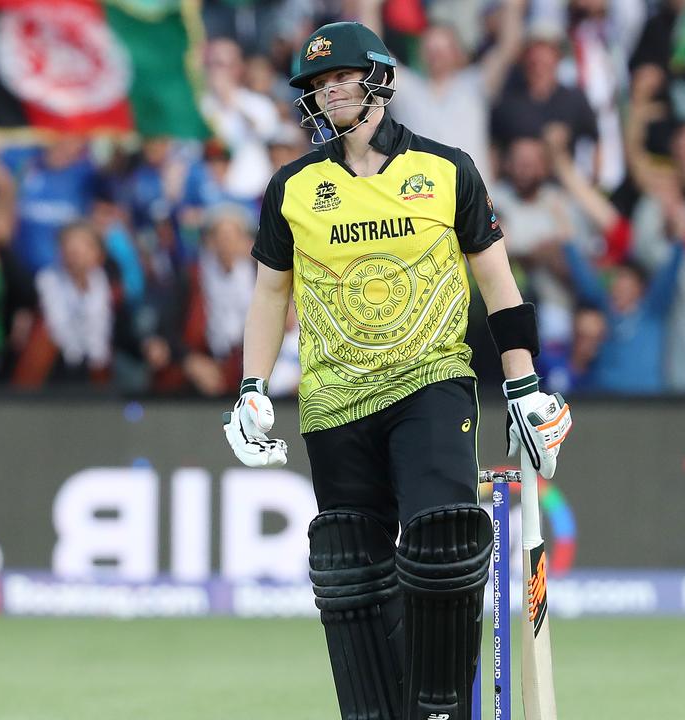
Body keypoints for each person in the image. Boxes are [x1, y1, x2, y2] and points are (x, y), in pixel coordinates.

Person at [221, 22, 572, 720]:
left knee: (444, 536)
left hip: (431, 383)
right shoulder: (293, 187)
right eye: (318, 83)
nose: (328, 92)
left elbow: (501, 286)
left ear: (379, 78)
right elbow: (268, 294)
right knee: (353, 571)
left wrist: (525, 386)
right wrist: (253, 388)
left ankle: (438, 708)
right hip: (334, 399)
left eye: (340, 77)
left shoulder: (446, 170)